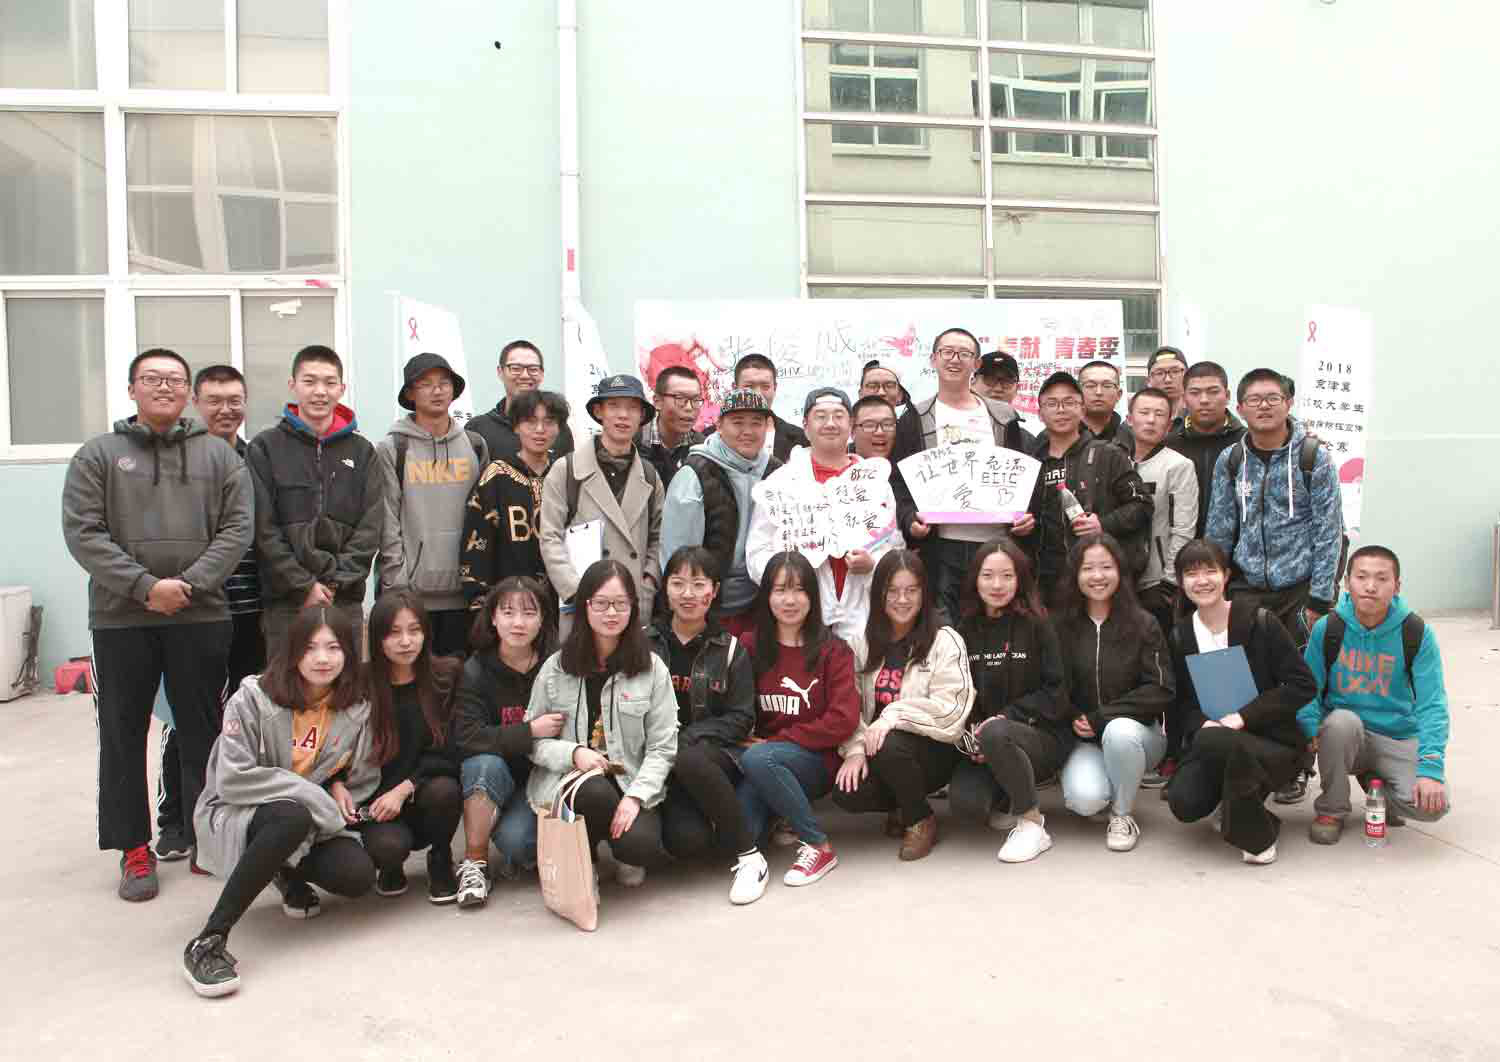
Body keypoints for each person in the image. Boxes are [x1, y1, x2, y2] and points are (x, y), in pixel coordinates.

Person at [61, 348, 252, 902]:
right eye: (152, 378)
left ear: (188, 391)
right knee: (122, 733)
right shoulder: (98, 456)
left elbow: (238, 528)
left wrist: (189, 584)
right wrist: (146, 587)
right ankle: (133, 849)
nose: (164, 387)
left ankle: (206, 837)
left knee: (204, 730)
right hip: (120, 618)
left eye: (174, 379)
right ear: (131, 389)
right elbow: (84, 533)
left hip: (202, 613)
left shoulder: (218, 456)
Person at [182, 606, 377, 997]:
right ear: (292, 652)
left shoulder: (356, 707)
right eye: (310, 648)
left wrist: (337, 783)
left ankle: (283, 871)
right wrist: (311, 793)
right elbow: (232, 779)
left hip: (308, 818)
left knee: (356, 876)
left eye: (333, 647)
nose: (322, 659)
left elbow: (362, 776)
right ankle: (208, 940)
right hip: (241, 807)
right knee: (291, 816)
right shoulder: (253, 697)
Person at [154, 364, 266, 862]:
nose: (226, 409)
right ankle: (176, 819)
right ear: (195, 402)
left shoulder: (254, 458)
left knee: (246, 716)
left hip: (252, 610)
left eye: (234, 400)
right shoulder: (180, 458)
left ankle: (231, 813)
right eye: (215, 400)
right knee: (188, 716)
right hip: (194, 609)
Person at [1163, 540, 1317, 864]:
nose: (1202, 581)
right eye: (1191, 573)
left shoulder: (1260, 621)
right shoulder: (1181, 636)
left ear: (1226, 575)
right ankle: (1234, 803)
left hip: (1271, 742)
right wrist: (1201, 723)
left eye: (1210, 571)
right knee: (1184, 802)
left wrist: (1245, 716)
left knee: (1219, 742)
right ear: (1180, 582)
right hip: (1213, 740)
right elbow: (1180, 703)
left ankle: (1257, 836)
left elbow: (1303, 685)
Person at [525, 560, 678, 887]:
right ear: (585, 606)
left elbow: (663, 747)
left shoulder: (652, 668)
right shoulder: (556, 667)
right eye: (602, 603)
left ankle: (622, 850)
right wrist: (573, 753)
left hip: (628, 778)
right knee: (594, 793)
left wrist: (635, 797)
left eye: (621, 604)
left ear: (633, 608)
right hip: (572, 781)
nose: (611, 613)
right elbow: (532, 739)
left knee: (641, 846)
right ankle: (586, 858)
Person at [1297, 546, 1451, 844]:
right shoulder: (1328, 628)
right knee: (1340, 722)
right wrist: (1309, 725)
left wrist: (1431, 768)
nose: (1370, 586)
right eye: (1361, 577)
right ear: (1347, 582)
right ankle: (1332, 809)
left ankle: (1377, 788)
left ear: (1397, 586)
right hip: (1345, 736)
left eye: (1381, 578)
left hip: (1397, 736)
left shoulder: (1416, 632)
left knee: (1432, 807)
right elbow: (1308, 687)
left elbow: (1432, 704)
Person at [832, 550, 973, 861]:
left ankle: (919, 818)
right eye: (892, 591)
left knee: (889, 743)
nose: (902, 600)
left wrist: (892, 716)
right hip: (879, 749)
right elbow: (847, 706)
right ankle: (902, 801)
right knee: (847, 792)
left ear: (924, 593)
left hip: (933, 750)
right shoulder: (860, 644)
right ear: (879, 594)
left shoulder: (945, 640)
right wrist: (855, 749)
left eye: (911, 590)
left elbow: (952, 710)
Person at [648, 546, 767, 905]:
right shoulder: (644, 643)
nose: (688, 594)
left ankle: (750, 857)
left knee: (689, 758)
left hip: (709, 756)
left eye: (698, 584)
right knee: (688, 841)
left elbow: (742, 718)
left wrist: (689, 737)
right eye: (678, 583)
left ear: (714, 591)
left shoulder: (730, 649)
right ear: (665, 588)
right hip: (656, 760)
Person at [737, 552, 860, 887]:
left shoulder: (833, 651)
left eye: (799, 590)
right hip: (759, 759)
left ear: (812, 596)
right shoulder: (749, 646)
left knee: (760, 758)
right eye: (780, 590)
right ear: (767, 596)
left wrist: (776, 743)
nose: (789, 600)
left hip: (815, 760)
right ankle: (780, 814)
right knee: (743, 834)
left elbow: (843, 719)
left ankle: (818, 846)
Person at [888, 328, 1025, 624]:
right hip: (940, 548)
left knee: (993, 626)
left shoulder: (1003, 417)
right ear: (933, 359)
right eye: (947, 352)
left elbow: (1021, 477)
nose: (955, 359)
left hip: (995, 544)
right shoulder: (914, 418)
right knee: (943, 628)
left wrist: (1024, 517)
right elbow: (898, 481)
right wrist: (909, 518)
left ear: (976, 363)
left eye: (964, 354)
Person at [246, 345, 380, 647]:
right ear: (293, 385)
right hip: (285, 602)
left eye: (330, 382)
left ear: (342, 389)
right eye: (309, 381)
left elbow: (371, 526)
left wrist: (335, 582)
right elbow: (263, 528)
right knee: (285, 677)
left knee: (345, 676)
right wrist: (303, 585)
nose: (320, 391)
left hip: (343, 600)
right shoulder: (265, 447)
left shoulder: (362, 451)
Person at [948, 537, 1071, 863]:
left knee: (996, 732)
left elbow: (1056, 693)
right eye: (988, 575)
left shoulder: (1038, 624)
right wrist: (971, 737)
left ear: (1020, 579)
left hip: (1039, 737)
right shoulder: (965, 628)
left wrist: (1006, 718)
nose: (997, 585)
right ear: (975, 579)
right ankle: (1009, 794)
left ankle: (1032, 823)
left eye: (1007, 576)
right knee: (966, 804)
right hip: (987, 739)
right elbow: (959, 691)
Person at [1205, 368, 1343, 651]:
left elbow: (1329, 531)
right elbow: (1219, 530)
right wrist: (1214, 588)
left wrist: (1320, 598)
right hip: (1247, 587)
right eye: (1254, 400)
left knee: (1299, 670)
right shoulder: (1231, 460)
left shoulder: (1314, 457)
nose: (1264, 406)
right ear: (1240, 409)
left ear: (1288, 403)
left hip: (1300, 590)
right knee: (1241, 669)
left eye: (1273, 398)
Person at [745, 387, 899, 640]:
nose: (830, 424)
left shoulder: (875, 482)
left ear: (851, 426)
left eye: (839, 416)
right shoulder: (780, 483)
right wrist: (790, 579)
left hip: (862, 614)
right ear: (805, 427)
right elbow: (757, 552)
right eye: (820, 416)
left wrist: (873, 565)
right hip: (798, 618)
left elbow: (893, 545)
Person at [1054, 534, 1173, 852]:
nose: (1097, 576)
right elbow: (1052, 684)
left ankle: (1122, 814)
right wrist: (1072, 715)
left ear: (1120, 571)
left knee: (1119, 732)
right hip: (1085, 738)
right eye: (1088, 568)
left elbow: (1161, 689)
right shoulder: (1061, 626)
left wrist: (1103, 716)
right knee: (1085, 800)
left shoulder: (1144, 624)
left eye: (1106, 567)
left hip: (1138, 735)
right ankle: (1111, 784)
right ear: (1075, 574)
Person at [452, 577, 562, 907]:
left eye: (529, 612)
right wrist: (529, 731)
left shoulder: (558, 666)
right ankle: (475, 862)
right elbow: (468, 737)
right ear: (493, 617)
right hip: (497, 774)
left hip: (544, 777)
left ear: (543, 619)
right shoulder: (474, 671)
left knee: (519, 844)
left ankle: (514, 833)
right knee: (482, 763)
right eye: (508, 612)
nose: (518, 623)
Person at [376, 354, 488, 656]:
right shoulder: (393, 448)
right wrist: (397, 581)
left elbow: (484, 519)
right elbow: (387, 519)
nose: (437, 391)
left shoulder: (475, 445)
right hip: (411, 596)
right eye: (426, 384)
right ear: (410, 394)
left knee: (459, 676)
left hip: (464, 594)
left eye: (444, 383)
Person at [1015, 371, 1152, 608]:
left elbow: (1142, 504)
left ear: (1082, 409)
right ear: (1040, 413)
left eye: (1069, 402)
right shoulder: (1030, 463)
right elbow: (1022, 517)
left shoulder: (1108, 454)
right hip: (1044, 583)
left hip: (1098, 579)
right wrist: (1023, 526)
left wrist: (1103, 524)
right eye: (1052, 404)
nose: (1061, 410)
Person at [538, 375, 664, 632]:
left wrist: (647, 584)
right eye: (614, 406)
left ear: (642, 415)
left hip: (631, 602)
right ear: (599, 412)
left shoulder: (650, 476)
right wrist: (576, 592)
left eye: (632, 407)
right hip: (582, 605)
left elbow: (658, 538)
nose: (623, 415)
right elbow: (550, 537)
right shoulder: (567, 470)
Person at [359, 591, 463, 903]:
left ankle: (441, 858)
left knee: (445, 790)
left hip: (425, 790)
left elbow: (453, 749)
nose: (406, 641)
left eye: (414, 630)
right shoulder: (361, 684)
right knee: (387, 848)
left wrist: (406, 787)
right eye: (394, 633)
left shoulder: (447, 674)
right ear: (377, 638)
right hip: (380, 802)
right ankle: (391, 866)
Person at [660, 388, 780, 637]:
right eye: (737, 422)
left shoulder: (777, 473)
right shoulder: (694, 474)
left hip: (766, 606)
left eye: (756, 423)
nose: (747, 431)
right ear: (719, 425)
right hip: (708, 610)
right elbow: (677, 557)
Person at [460, 390, 567, 608]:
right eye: (530, 422)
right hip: (507, 602)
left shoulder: (566, 474)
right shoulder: (497, 476)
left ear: (559, 428)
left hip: (561, 601)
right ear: (516, 426)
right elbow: (477, 539)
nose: (540, 430)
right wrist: (480, 599)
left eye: (549, 422)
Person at [1128, 386, 1198, 649]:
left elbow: (1184, 527)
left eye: (1159, 415)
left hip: (1157, 581)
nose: (1151, 420)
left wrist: (1170, 581)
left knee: (1160, 650)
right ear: (1129, 419)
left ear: (1169, 425)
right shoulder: (1114, 459)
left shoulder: (1178, 465)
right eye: (1144, 412)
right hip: (1118, 578)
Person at [1166, 361, 1245, 537]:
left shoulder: (1246, 443)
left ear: (1227, 395)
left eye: (1213, 392)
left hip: (1234, 547)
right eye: (1195, 393)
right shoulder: (1169, 446)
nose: (1204, 400)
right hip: (1181, 544)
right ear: (1184, 398)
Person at [470, 339, 575, 466]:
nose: (525, 375)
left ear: (541, 374)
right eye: (515, 368)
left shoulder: (559, 429)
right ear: (500, 372)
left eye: (533, 369)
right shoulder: (477, 429)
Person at [726, 353, 808, 462]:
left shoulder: (801, 439)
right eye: (749, 386)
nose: (758, 394)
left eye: (765, 387)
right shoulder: (711, 437)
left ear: (775, 388)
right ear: (735, 388)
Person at [638, 365, 706, 486]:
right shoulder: (634, 442)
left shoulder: (702, 448)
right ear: (658, 402)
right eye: (680, 398)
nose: (689, 407)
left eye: (696, 400)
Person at [1078, 359, 1133, 454]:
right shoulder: (1059, 435)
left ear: (1119, 395)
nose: (1098, 392)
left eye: (1107, 386)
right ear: (1078, 393)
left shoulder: (1132, 439)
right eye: (1090, 386)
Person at [1146, 346, 1189, 424]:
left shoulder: (1199, 418)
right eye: (1159, 373)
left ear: (1187, 376)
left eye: (1175, 371)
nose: (1167, 379)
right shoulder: (1137, 423)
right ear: (1149, 380)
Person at [850, 395, 898, 461]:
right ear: (852, 432)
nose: (880, 432)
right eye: (870, 425)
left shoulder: (907, 466)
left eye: (887, 424)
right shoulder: (839, 466)